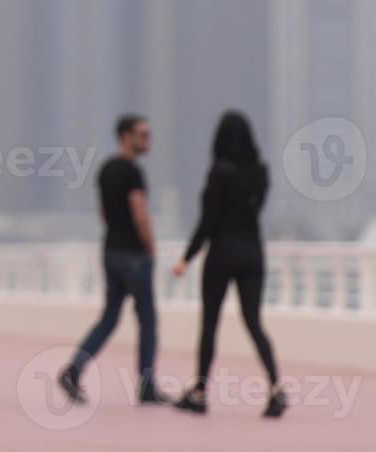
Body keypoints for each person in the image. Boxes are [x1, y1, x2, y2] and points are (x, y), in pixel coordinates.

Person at [170, 111, 285, 417]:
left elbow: (207, 223)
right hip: (253, 252)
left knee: (210, 324)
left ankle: (200, 393)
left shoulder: (219, 172)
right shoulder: (261, 172)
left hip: (223, 251)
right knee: (254, 322)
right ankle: (276, 389)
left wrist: (187, 257)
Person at [59, 114, 165, 405]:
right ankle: (147, 386)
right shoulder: (132, 172)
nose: (147, 140)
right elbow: (139, 213)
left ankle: (73, 370)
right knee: (147, 320)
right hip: (133, 255)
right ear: (125, 136)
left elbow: (103, 213)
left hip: (110, 251)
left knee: (109, 318)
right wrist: (151, 247)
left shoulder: (106, 170)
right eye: (142, 134)